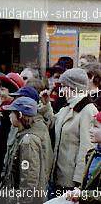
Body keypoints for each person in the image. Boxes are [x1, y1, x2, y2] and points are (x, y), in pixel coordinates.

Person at [40, 68, 97, 196]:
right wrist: (46, 105)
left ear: (74, 87)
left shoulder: (87, 109)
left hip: (71, 183)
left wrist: (79, 181)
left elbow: (87, 149)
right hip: (58, 177)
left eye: (64, 86)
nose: (61, 91)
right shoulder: (68, 107)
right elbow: (52, 124)